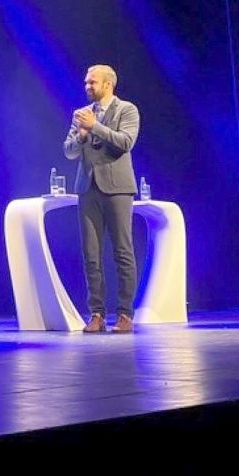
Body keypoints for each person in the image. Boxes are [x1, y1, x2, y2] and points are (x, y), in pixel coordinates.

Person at [63, 64, 141, 334]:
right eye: (86, 83)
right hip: (87, 187)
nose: (87, 87)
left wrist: (95, 127)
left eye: (92, 83)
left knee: (122, 252)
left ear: (108, 84)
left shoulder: (127, 110)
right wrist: (83, 134)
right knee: (91, 255)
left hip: (117, 188)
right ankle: (96, 313)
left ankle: (125, 314)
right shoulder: (82, 115)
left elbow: (125, 142)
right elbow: (69, 151)